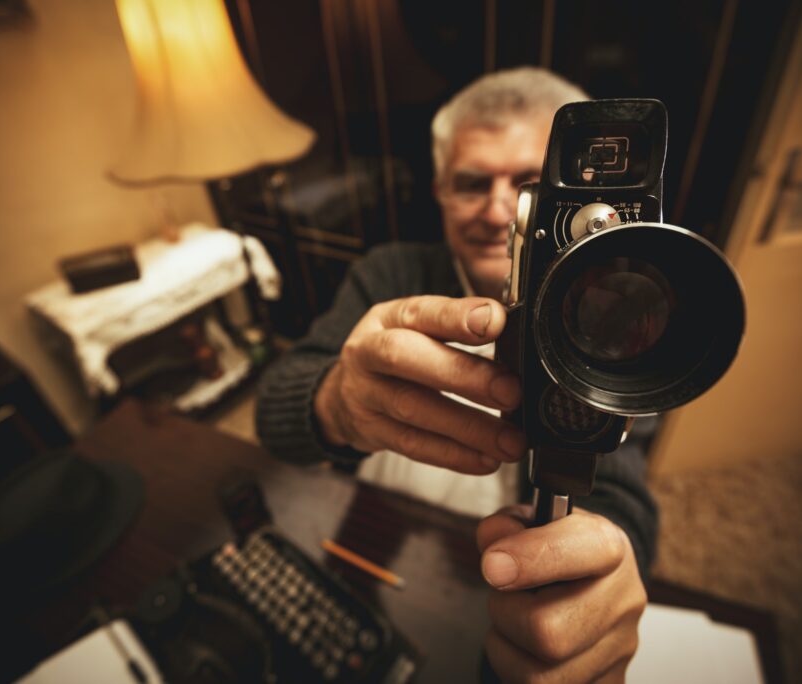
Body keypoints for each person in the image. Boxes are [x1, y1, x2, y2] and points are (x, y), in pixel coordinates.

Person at [257, 67, 656, 683]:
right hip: (375, 548)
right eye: (472, 184)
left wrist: (596, 571)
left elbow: (622, 487)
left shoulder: (606, 305)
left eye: (526, 186)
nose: (499, 213)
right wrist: (336, 400)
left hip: (508, 578)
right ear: (440, 194)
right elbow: (274, 412)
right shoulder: (388, 272)